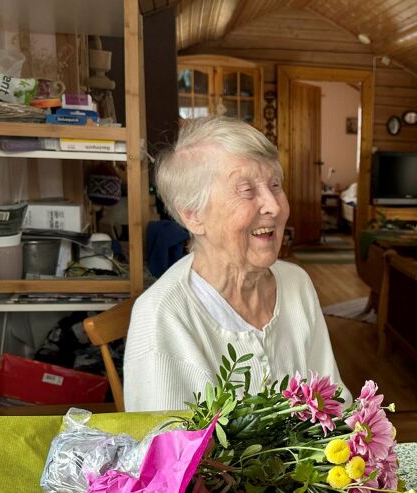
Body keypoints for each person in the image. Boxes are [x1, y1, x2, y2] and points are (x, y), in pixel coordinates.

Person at [124, 115, 346, 411]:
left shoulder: (297, 283)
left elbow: (334, 402)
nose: (275, 205)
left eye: (275, 185)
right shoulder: (162, 315)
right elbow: (166, 451)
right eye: (247, 191)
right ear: (193, 215)